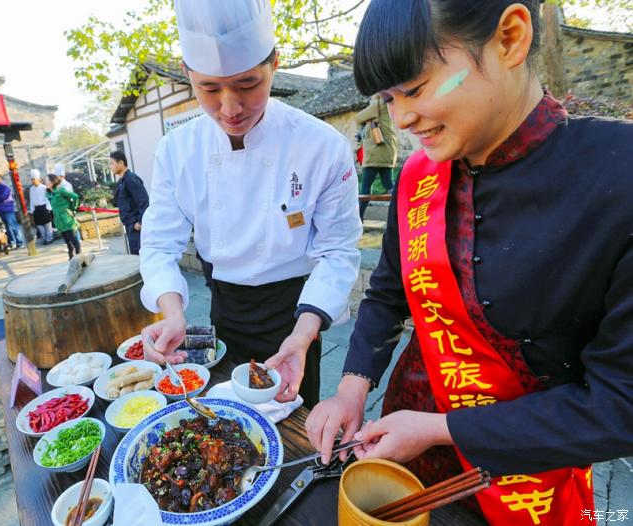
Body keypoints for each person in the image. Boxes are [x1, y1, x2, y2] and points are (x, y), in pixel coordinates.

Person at [307, 1, 633, 524]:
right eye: (388, 98)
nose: (401, 118)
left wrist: (441, 428)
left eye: (414, 89)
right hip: (402, 442)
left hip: (521, 473)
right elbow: (390, 289)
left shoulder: (618, 178)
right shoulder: (420, 175)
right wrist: (350, 390)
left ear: (510, 38)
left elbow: (620, 406)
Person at [138, 0, 362, 410]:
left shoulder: (323, 146)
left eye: (247, 84)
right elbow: (158, 244)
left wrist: (303, 335)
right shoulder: (176, 150)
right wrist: (171, 312)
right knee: (225, 417)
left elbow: (338, 250)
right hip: (226, 303)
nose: (230, 107)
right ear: (188, 76)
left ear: (274, 64)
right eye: (209, 89)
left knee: (293, 417)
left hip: (298, 312)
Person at [355, 92, 398, 219]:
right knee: (389, 185)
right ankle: (399, 215)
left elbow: (358, 118)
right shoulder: (388, 103)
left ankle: (358, 218)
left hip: (375, 154)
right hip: (386, 152)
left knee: (366, 187)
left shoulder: (377, 103)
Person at [110, 150, 149, 255]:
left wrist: (140, 222)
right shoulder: (122, 181)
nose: (111, 166)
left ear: (121, 163)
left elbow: (143, 201)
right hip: (129, 225)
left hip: (136, 226)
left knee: (140, 256)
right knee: (135, 256)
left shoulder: (131, 179)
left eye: (112, 163)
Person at [46, 174, 81, 260]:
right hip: (58, 221)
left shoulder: (61, 190)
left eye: (47, 180)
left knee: (73, 239)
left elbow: (75, 196)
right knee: (67, 241)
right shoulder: (50, 193)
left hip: (67, 219)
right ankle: (71, 256)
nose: (45, 182)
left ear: (53, 181)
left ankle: (79, 256)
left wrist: (72, 209)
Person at [0, 174, 24, 249]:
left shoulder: (5, 188)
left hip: (8, 210)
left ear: (1, 179)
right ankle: (12, 242)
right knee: (6, 228)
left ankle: (20, 242)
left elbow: (3, 197)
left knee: (13, 226)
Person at [28, 169, 53, 244]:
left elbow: (47, 198)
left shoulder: (44, 188)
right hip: (36, 208)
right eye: (32, 179)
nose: (33, 181)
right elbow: (31, 199)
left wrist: (48, 208)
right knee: (39, 225)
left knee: (47, 224)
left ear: (38, 179)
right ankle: (44, 238)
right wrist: (32, 210)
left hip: (44, 207)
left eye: (34, 179)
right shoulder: (31, 189)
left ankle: (49, 238)